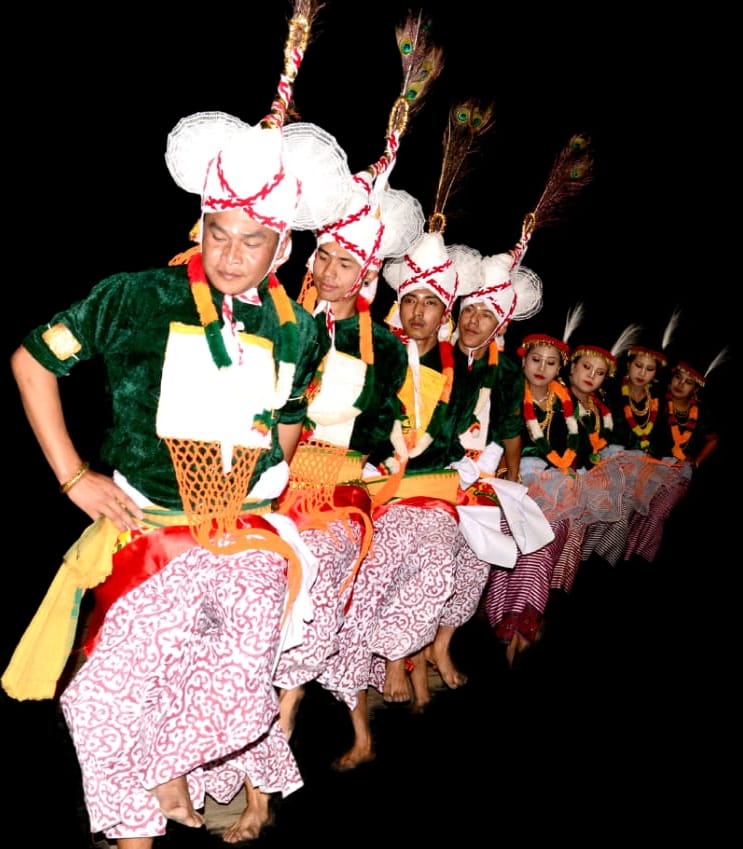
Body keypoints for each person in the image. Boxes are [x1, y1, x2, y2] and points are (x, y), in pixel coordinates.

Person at [2, 4, 356, 846]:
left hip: (243, 541)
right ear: (198, 222)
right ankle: (135, 825)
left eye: (252, 242)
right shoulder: (137, 294)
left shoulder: (301, 328)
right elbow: (31, 362)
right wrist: (74, 476)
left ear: (283, 250)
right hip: (149, 531)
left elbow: (301, 413)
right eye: (217, 232)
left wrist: (283, 469)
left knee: (234, 688)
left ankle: (180, 782)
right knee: (101, 696)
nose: (231, 255)